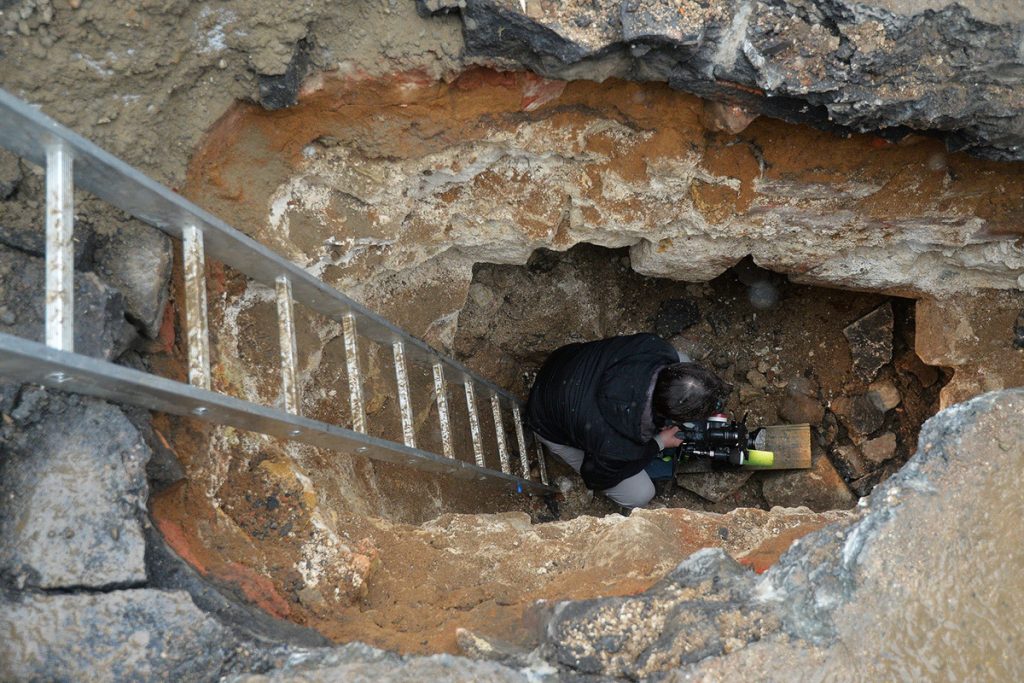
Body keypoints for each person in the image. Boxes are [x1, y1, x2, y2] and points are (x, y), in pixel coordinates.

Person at [526, 333, 730, 508]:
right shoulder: (616, 445)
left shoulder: (654, 346)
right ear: (671, 417)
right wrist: (658, 443)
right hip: (545, 419)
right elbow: (596, 477)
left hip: (563, 364)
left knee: (681, 358)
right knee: (640, 493)